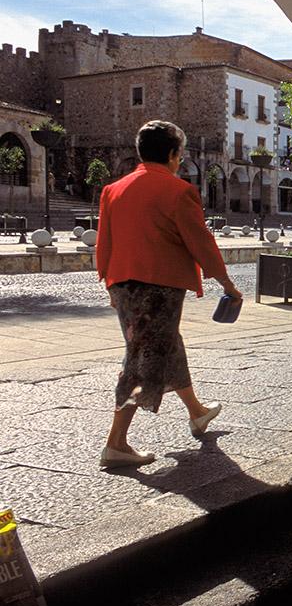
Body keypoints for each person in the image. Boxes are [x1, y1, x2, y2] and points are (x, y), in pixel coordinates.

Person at [96, 120, 242, 468]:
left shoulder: (113, 190)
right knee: (141, 360)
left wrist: (109, 283)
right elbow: (201, 243)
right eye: (180, 153)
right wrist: (226, 284)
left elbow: (105, 243)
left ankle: (197, 412)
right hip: (159, 287)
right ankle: (116, 442)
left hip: (123, 283)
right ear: (175, 154)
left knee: (164, 345)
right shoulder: (178, 191)